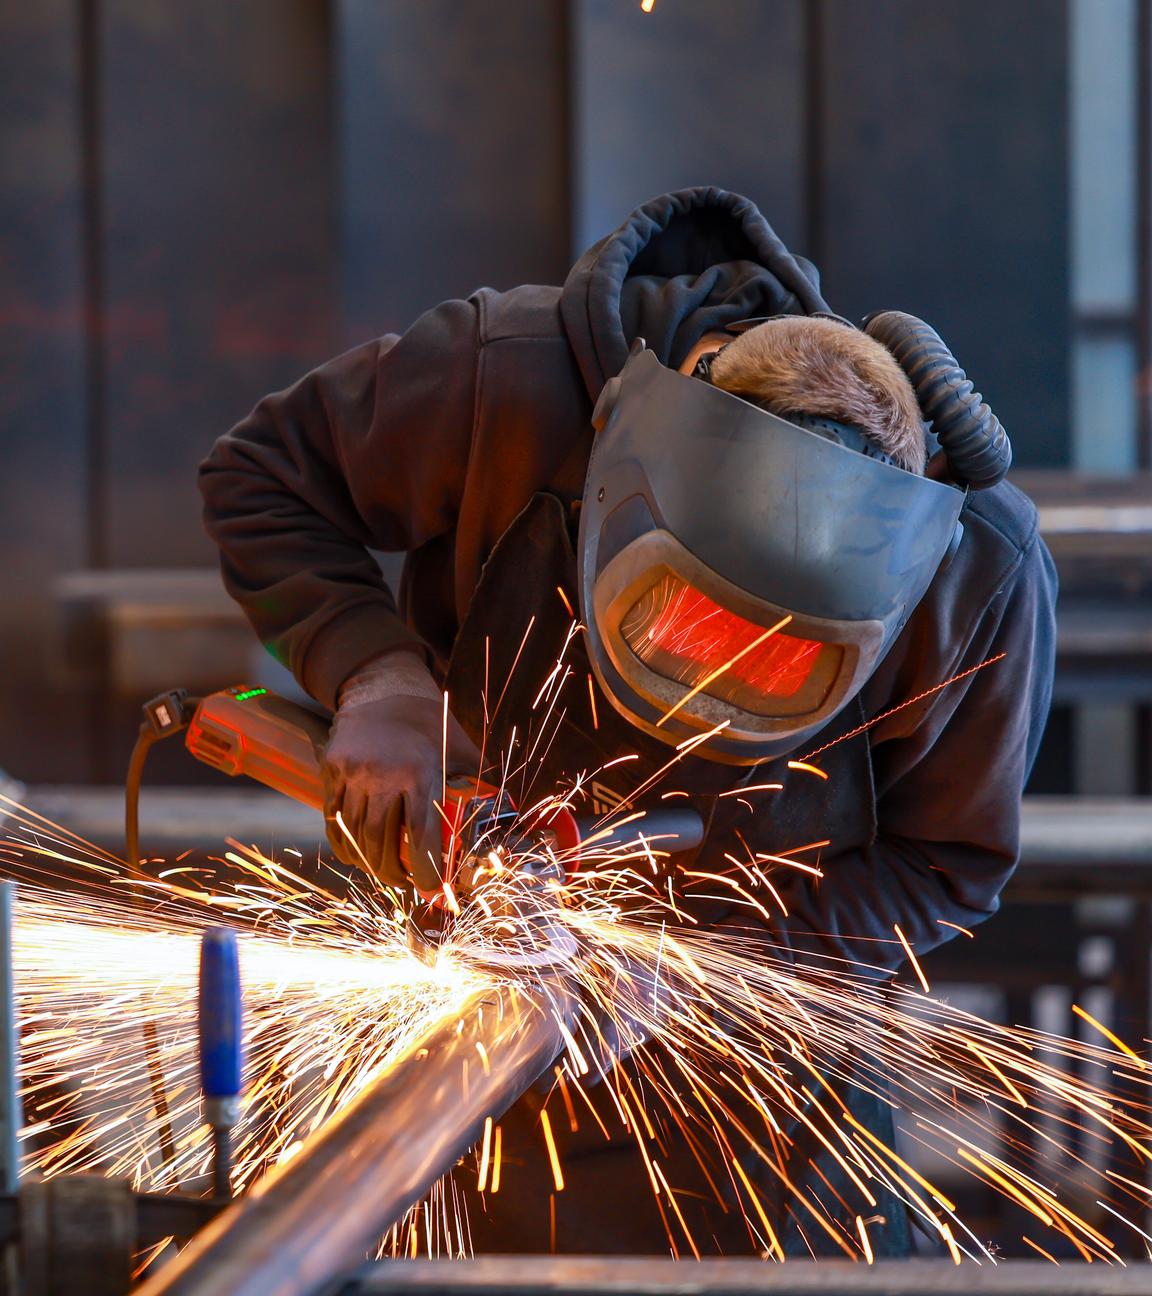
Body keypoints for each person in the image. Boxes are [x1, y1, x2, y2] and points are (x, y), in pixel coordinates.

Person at [200, 187, 1057, 1256]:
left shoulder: (976, 567)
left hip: (768, 1100)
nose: (706, 684)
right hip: (451, 1031)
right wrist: (377, 677)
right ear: (625, 443)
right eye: (688, 617)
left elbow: (945, 867)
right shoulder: (505, 381)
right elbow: (262, 477)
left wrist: (698, 961)